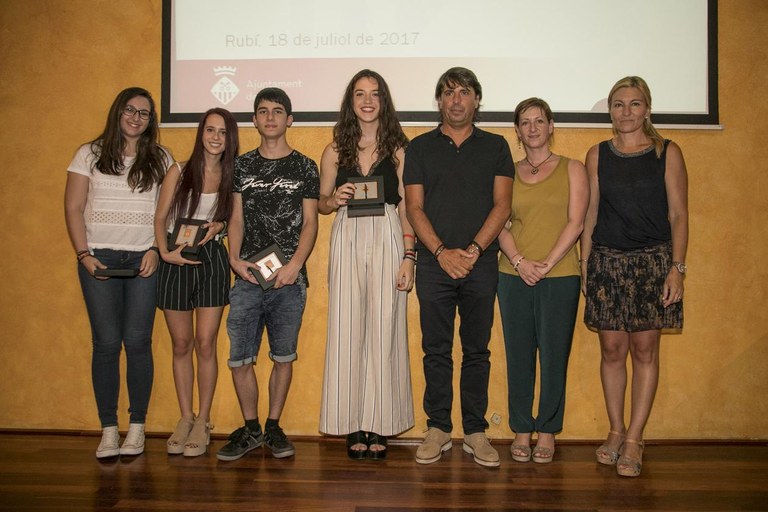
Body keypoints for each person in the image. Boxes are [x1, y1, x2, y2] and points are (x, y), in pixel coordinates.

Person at [403, 67, 514, 467]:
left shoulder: (497, 146)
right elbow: (413, 208)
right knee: (435, 349)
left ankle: (475, 432)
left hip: (480, 264)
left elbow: (502, 205)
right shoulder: (419, 148)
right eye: (448, 93)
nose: (456, 100)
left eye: (464, 92)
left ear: (476, 100)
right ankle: (437, 428)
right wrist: (441, 253)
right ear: (439, 101)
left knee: (476, 351)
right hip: (434, 265)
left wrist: (471, 250)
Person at [581, 76, 688, 477]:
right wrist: (586, 266)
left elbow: (679, 215)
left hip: (653, 265)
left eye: (635, 104)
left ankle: (635, 438)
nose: (626, 112)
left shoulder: (668, 153)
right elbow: (590, 216)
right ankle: (615, 429)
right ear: (610, 110)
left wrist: (677, 269)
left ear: (647, 109)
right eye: (618, 104)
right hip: (607, 263)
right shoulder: (597, 155)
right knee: (611, 352)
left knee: (645, 353)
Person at [64, 87, 172, 458]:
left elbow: (168, 212)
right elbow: (74, 208)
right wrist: (83, 255)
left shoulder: (160, 158)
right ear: (118, 112)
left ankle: (137, 428)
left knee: (138, 343)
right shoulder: (88, 154)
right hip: (99, 260)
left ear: (150, 121)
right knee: (107, 344)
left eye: (144, 113)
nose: (136, 117)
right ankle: (109, 429)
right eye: (130, 110)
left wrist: (157, 250)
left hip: (144, 260)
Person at [216, 88, 319, 461]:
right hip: (247, 278)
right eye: (263, 111)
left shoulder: (306, 166)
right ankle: (251, 429)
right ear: (255, 120)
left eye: (278, 111)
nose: (271, 117)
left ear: (289, 119)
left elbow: (310, 223)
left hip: (289, 281)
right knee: (240, 358)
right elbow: (236, 218)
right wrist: (234, 259)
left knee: (283, 356)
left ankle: (274, 427)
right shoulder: (241, 166)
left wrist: (294, 267)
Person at [318, 70, 415, 460]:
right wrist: (334, 198)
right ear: (351, 101)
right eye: (360, 93)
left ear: (384, 100)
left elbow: (408, 205)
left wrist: (409, 256)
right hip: (347, 235)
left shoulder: (398, 149)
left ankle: (379, 423)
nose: (367, 100)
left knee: (384, 329)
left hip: (388, 234)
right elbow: (322, 203)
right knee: (347, 329)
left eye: (374, 93)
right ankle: (352, 423)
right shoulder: (333, 150)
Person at [497, 98, 589, 464]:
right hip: (512, 275)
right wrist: (520, 262)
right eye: (524, 122)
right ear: (517, 131)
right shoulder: (506, 172)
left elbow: (577, 222)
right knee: (518, 355)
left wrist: (547, 264)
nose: (532, 127)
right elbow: (499, 222)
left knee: (554, 356)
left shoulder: (573, 169)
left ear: (551, 126)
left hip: (560, 275)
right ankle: (521, 428)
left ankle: (547, 430)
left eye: (539, 120)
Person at [154, 108, 238, 457]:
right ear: (201, 132)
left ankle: (203, 420)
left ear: (229, 138)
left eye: (222, 132)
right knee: (181, 344)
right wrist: (164, 252)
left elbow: (231, 220)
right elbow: (159, 218)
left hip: (213, 262)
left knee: (206, 344)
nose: (215, 137)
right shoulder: (179, 171)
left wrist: (218, 225)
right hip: (175, 259)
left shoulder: (232, 175)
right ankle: (184, 417)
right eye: (210, 130)